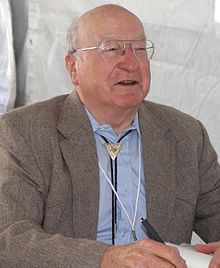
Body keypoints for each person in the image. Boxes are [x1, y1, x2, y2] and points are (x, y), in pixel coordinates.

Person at [0, 4, 220, 268]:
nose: (131, 63)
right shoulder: (23, 133)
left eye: (140, 49)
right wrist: (104, 259)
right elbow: (10, 240)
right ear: (73, 67)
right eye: (111, 49)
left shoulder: (186, 135)